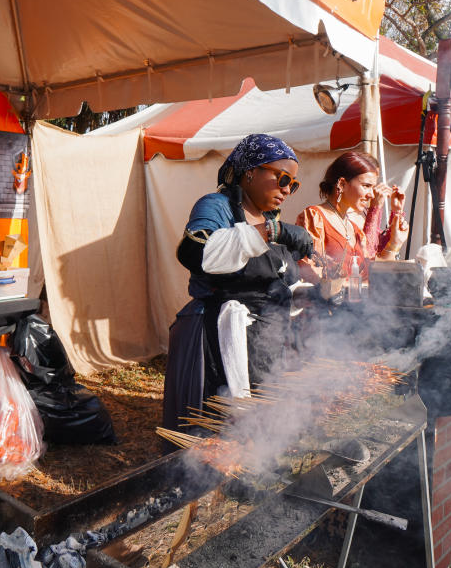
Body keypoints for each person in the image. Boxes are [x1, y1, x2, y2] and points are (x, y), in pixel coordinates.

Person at [163, 134, 314, 438]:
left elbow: (278, 284)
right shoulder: (217, 205)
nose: (287, 190)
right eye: (282, 178)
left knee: (261, 436)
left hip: (266, 345)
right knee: (219, 435)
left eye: (293, 184)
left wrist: (310, 292)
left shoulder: (270, 217)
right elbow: (197, 252)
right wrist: (273, 231)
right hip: (221, 343)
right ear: (250, 172)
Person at [295, 149, 409, 293]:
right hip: (324, 310)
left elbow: (371, 273)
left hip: (352, 310)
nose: (371, 194)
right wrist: (348, 288)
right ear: (342, 184)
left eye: (373, 187)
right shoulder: (315, 216)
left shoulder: (355, 227)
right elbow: (310, 271)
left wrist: (394, 243)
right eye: (366, 186)